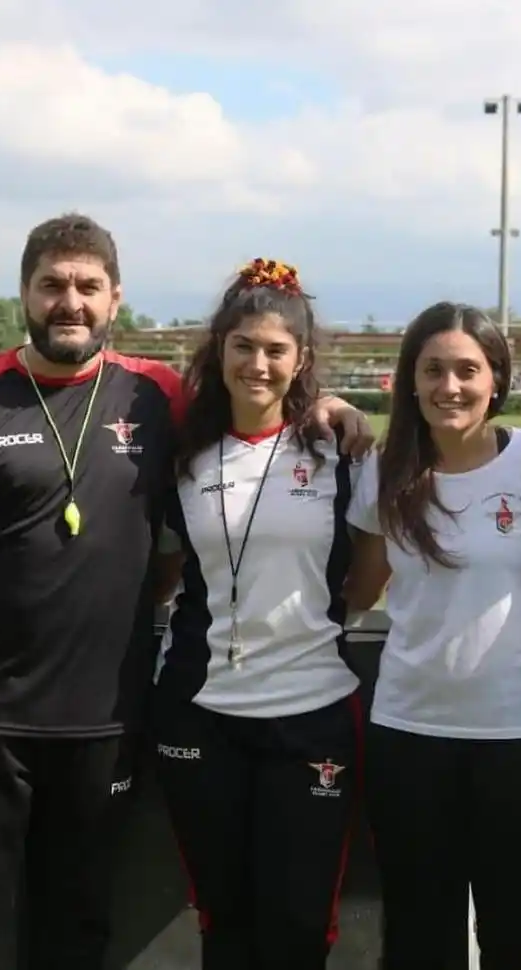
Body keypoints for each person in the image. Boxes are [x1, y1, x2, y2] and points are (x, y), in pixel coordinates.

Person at [0, 219, 373, 970]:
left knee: (78, 933)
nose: (69, 302)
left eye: (88, 286)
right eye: (52, 284)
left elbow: (256, 388)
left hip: (105, 721)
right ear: (24, 294)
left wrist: (325, 403)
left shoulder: (154, 394)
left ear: (115, 297)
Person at [344, 302, 521, 969]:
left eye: (466, 370)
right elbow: (358, 593)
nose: (449, 386)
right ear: (410, 380)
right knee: (419, 934)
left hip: (519, 740)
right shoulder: (382, 471)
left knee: (514, 931)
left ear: (496, 378)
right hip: (408, 734)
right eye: (432, 370)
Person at [151, 258, 363, 970]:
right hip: (199, 711)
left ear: (301, 360)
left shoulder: (340, 452)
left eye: (276, 349)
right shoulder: (182, 455)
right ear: (220, 350)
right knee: (223, 916)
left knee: (299, 922)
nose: (258, 364)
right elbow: (164, 573)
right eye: (243, 346)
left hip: (311, 712)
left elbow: (369, 575)